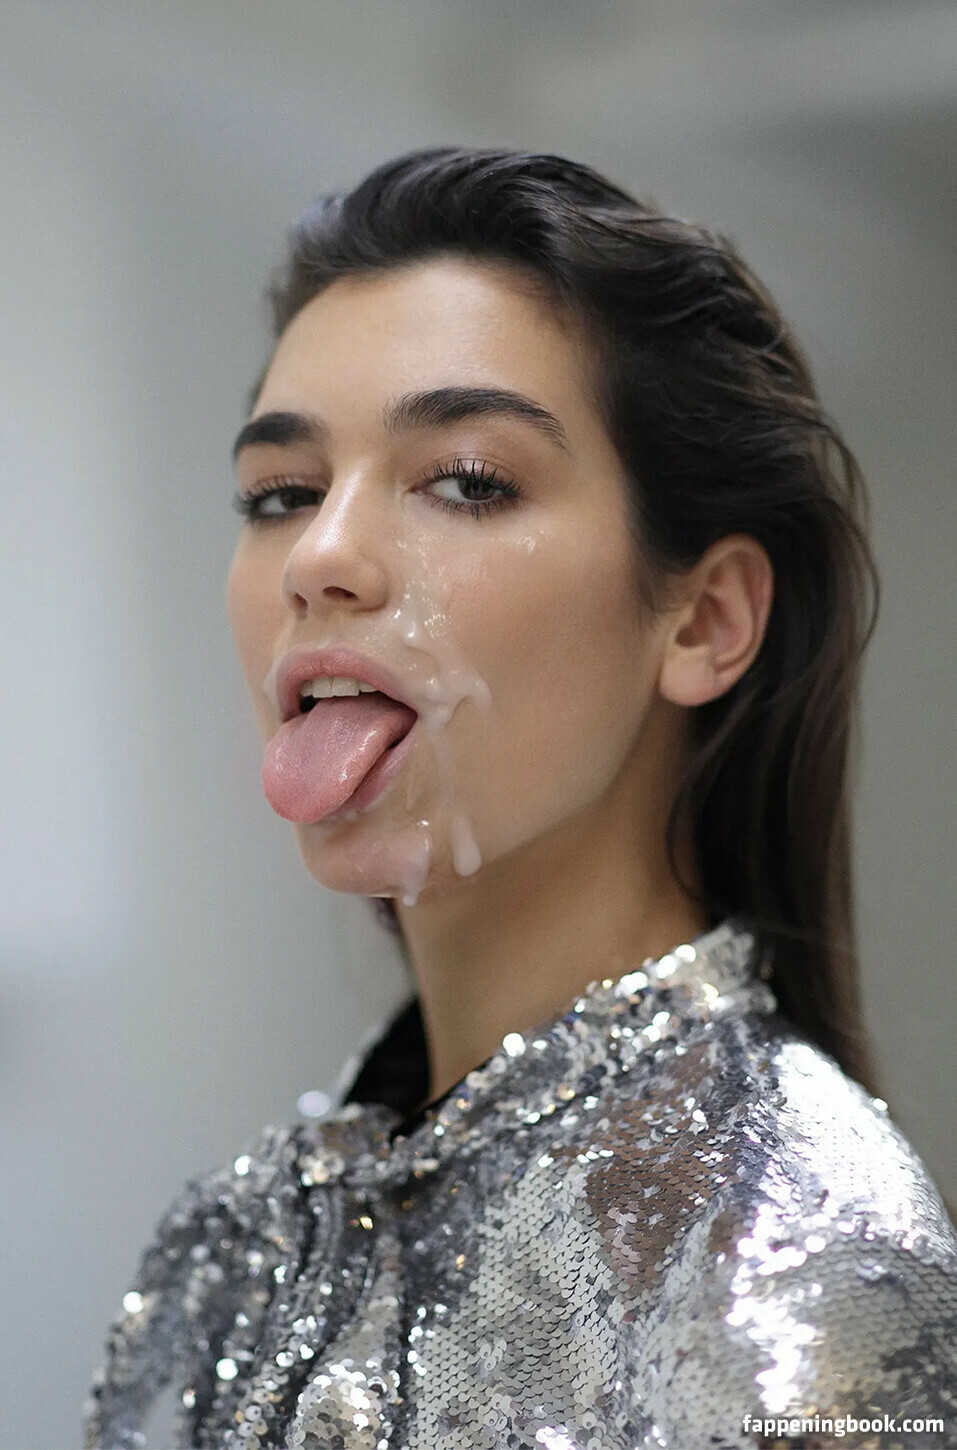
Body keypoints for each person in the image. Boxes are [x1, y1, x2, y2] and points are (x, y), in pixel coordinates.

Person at [84, 148, 957, 1449]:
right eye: (281, 493)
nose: (322, 554)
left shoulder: (800, 1263)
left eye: (466, 480)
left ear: (704, 619)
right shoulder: (230, 1243)